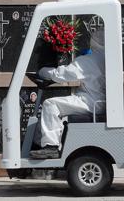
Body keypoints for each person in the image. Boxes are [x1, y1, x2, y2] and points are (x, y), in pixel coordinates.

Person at [29, 30, 106, 159]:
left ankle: (51, 146)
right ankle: (38, 143)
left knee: (50, 104)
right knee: (54, 107)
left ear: (93, 41)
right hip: (102, 102)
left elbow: (61, 75)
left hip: (90, 102)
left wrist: (43, 71)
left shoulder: (89, 60)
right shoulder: (108, 57)